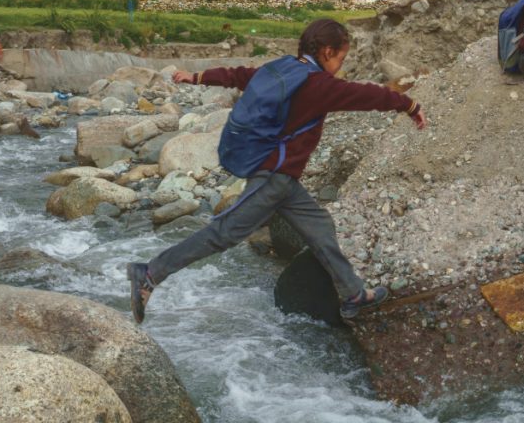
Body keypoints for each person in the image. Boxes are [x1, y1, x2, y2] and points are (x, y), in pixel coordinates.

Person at [127, 18, 428, 323]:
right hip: (273, 177)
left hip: (282, 179)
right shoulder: (318, 84)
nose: (340, 65)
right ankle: (150, 273)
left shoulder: (285, 68)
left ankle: (354, 294)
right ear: (326, 51)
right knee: (225, 233)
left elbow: (242, 75)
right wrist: (408, 105)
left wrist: (198, 76)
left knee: (320, 226)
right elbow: (366, 96)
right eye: (341, 58)